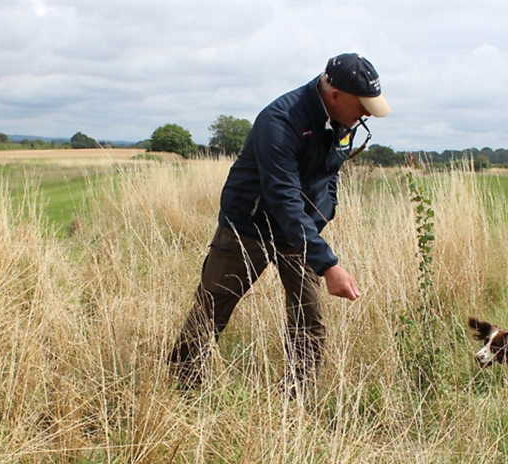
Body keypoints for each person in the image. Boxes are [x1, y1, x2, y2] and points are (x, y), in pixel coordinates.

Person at [167, 53, 390, 395]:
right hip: (248, 225)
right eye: (361, 104)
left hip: (300, 232)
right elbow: (282, 196)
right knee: (213, 306)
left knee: (309, 318)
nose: (366, 113)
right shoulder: (280, 120)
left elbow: (330, 173)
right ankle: (181, 385)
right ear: (335, 95)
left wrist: (322, 213)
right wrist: (328, 264)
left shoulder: (344, 122)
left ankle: (295, 398)